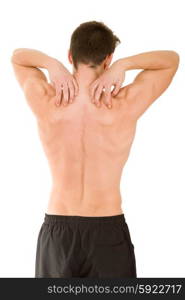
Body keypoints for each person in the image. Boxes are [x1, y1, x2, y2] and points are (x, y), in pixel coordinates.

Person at [11, 21, 179, 278]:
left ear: (70, 55)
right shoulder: (124, 103)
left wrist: (51, 64)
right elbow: (171, 60)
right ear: (108, 59)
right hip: (107, 231)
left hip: (58, 231)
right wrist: (124, 65)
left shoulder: (47, 99)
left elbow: (17, 57)